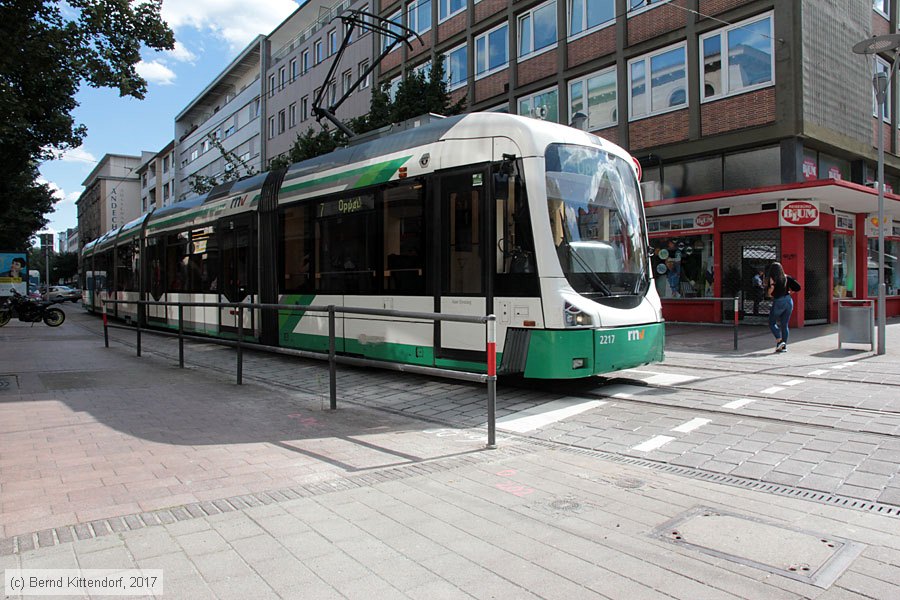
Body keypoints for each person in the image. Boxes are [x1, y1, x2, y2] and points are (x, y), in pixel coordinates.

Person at [766, 262, 801, 353]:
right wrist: (790, 292)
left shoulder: (772, 279)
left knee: (772, 322)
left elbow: (770, 292)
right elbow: (798, 287)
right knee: (784, 324)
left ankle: (779, 340)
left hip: (778, 301)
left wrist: (769, 294)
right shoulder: (786, 277)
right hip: (788, 301)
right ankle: (784, 346)